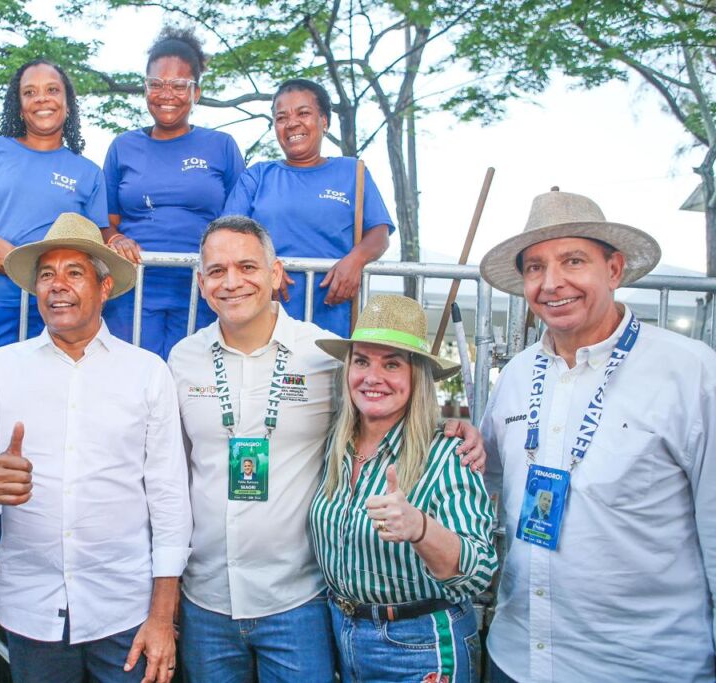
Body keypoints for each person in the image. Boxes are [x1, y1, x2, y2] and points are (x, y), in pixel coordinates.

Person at [167, 216, 485, 682]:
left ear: (276, 275)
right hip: (207, 600)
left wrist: (450, 427)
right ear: (200, 282)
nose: (232, 282)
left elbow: (381, 404)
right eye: (216, 270)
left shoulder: (319, 353)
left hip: (296, 603)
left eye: (248, 266)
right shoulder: (182, 358)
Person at [479, 188, 716, 682]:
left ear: (613, 270)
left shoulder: (691, 372)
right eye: (535, 268)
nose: (552, 282)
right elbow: (492, 478)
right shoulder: (519, 375)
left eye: (572, 261)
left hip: (641, 666)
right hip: (518, 657)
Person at [0, 213, 191, 683]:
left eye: (74, 272)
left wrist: (162, 615)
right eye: (46, 274)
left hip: (125, 611)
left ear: (104, 288)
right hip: (31, 611)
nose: (57, 285)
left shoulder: (147, 372)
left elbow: (168, 498)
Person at [310, 294, 498, 683]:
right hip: (339, 634)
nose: (371, 377)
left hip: (421, 647)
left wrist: (421, 529)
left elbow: (478, 571)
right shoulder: (333, 443)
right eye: (361, 361)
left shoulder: (448, 454)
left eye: (391, 364)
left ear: (417, 377)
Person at [0, 59, 107, 373]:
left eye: (52, 90)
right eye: (30, 92)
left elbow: (97, 244)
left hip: (57, 311)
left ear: (68, 104)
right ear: (19, 107)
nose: (42, 98)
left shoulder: (89, 173)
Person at [101, 27, 244, 358]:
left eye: (179, 85)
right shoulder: (123, 146)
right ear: (145, 88)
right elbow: (106, 221)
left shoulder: (221, 146)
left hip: (203, 289)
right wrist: (115, 239)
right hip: (134, 288)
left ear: (196, 92)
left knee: (195, 385)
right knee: (133, 382)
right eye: (156, 84)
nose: (167, 94)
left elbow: (241, 222)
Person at [222, 78, 394, 337]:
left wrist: (356, 260)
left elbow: (379, 233)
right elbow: (227, 235)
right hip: (264, 311)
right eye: (281, 117)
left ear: (324, 121)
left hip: (333, 312)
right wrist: (264, 268)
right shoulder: (257, 176)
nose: (292, 123)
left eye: (303, 113)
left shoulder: (353, 172)